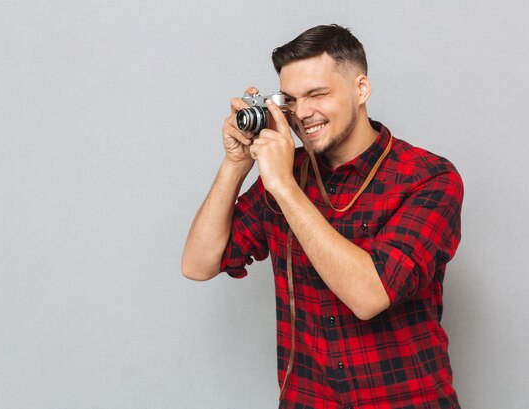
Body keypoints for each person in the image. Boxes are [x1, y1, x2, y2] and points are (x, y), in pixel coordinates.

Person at [182, 24, 463, 409]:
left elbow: (369, 296)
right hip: (308, 400)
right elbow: (197, 264)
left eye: (317, 94)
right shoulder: (285, 173)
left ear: (361, 89)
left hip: (405, 400)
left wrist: (283, 186)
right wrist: (235, 163)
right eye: (292, 100)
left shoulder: (429, 177)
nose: (304, 113)